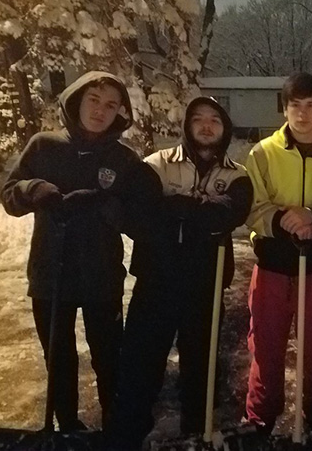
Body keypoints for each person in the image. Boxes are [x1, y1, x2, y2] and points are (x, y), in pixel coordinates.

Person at [0, 71, 150, 430]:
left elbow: (142, 218)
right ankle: (67, 426)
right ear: (77, 100)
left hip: (101, 276)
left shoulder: (123, 159)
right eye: (93, 100)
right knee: (59, 358)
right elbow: (9, 195)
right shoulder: (43, 146)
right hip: (51, 274)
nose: (100, 111)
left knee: (108, 356)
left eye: (111, 104)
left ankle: (115, 426)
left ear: (121, 112)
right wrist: (33, 189)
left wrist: (109, 208)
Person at [106, 96, 253, 450]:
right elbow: (135, 216)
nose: (206, 126)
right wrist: (196, 211)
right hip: (157, 278)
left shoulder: (237, 175)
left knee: (201, 364)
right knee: (142, 360)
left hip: (207, 281)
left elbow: (229, 214)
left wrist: (175, 206)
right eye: (198, 119)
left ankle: (197, 431)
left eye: (214, 120)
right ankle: (128, 433)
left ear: (224, 129)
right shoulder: (155, 165)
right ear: (187, 126)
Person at [244, 72, 312, 436]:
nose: (304, 114)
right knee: (266, 341)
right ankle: (261, 417)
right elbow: (252, 206)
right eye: (296, 105)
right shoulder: (262, 153)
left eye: (311, 106)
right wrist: (283, 220)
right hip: (274, 263)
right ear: (284, 108)